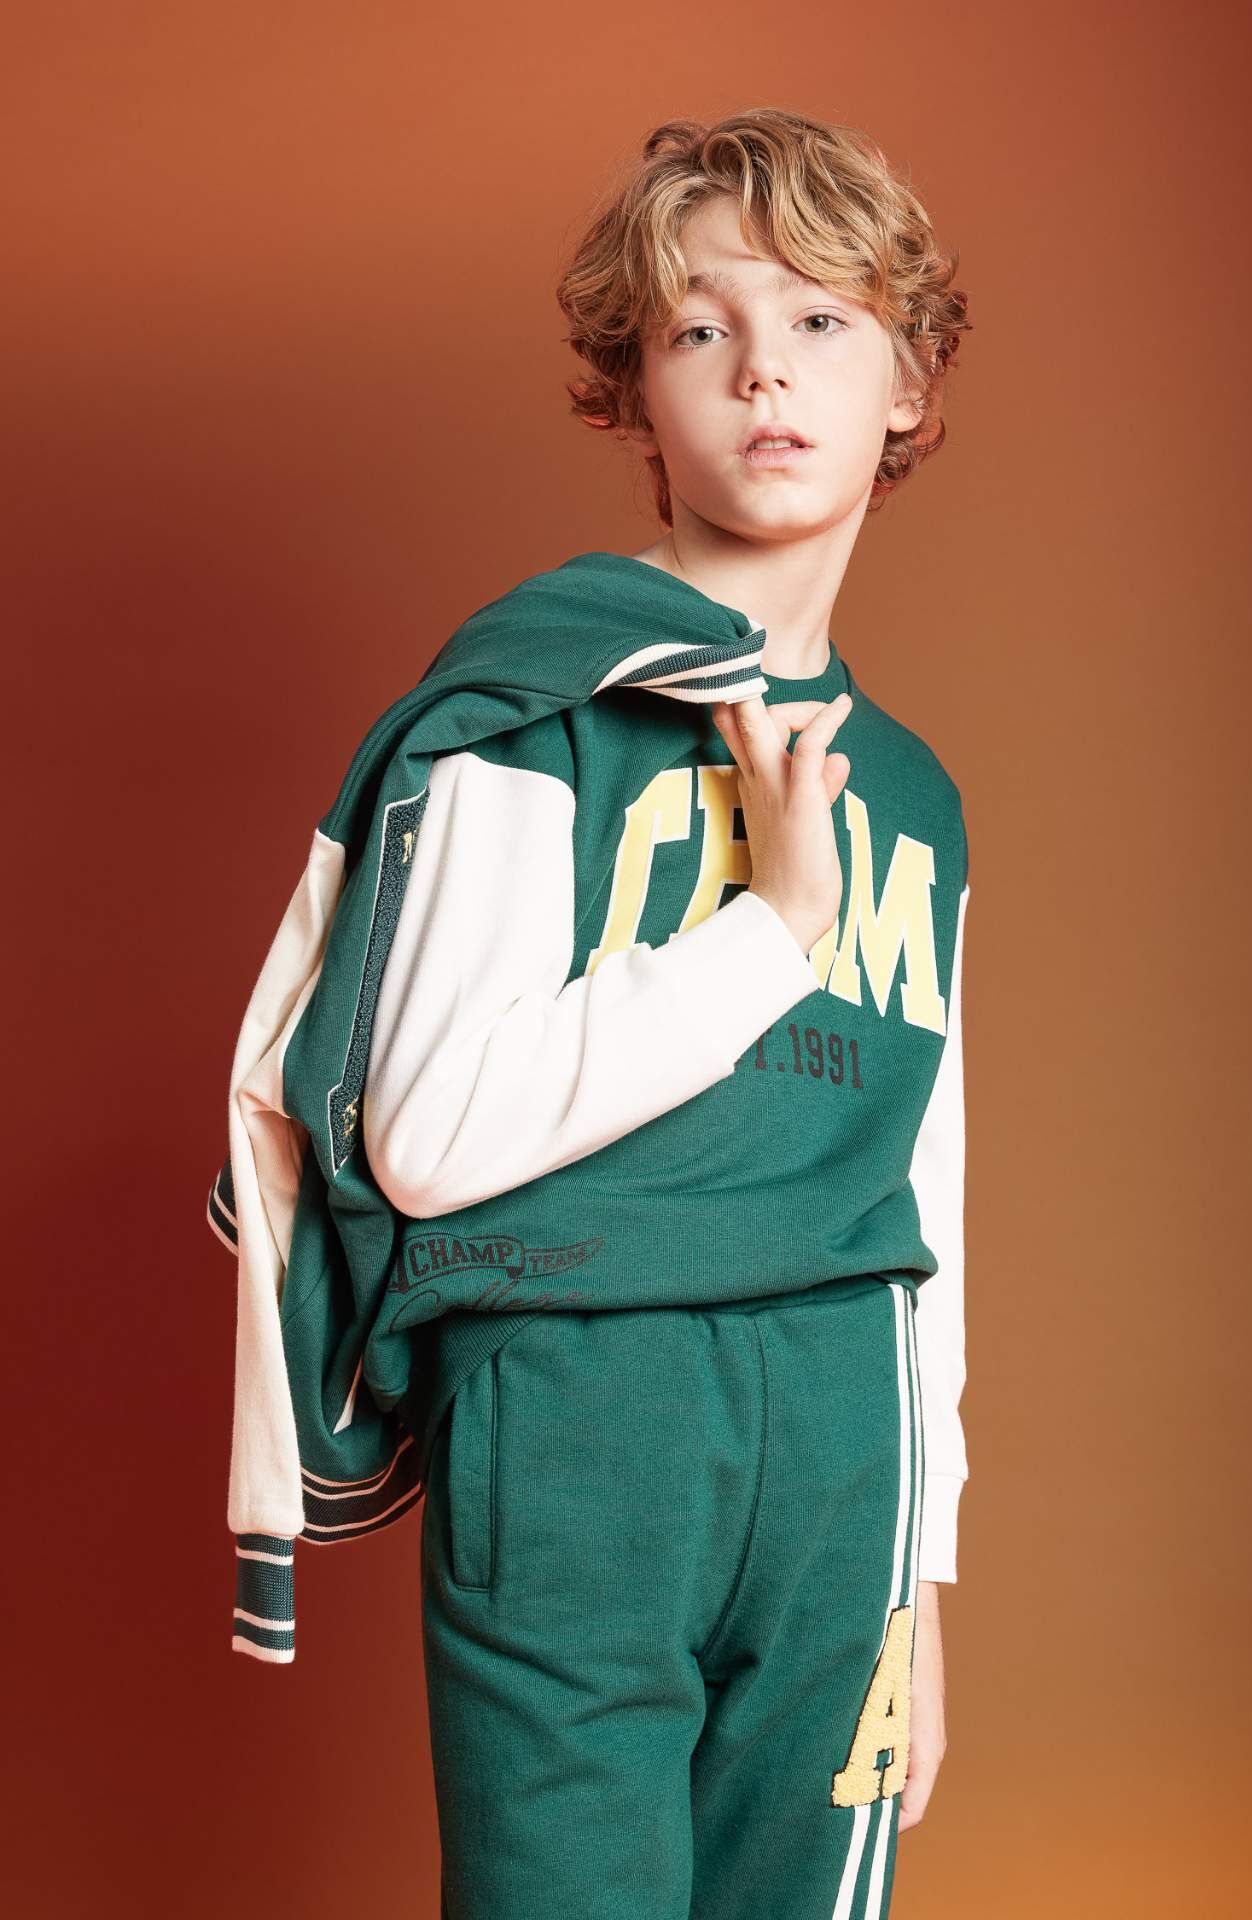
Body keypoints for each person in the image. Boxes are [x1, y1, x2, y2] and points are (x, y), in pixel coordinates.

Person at [356, 107, 974, 1920]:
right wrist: (771, 928)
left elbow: (923, 1194)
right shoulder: (535, 711)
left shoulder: (916, 799)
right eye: (703, 328)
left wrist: (923, 1574)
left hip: (845, 1422)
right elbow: (426, 1138)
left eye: (823, 321)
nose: (764, 370)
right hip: (578, 1407)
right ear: (634, 395)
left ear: (909, 385)